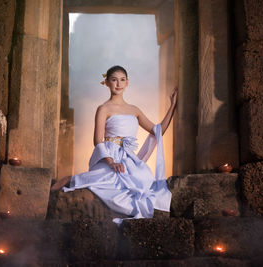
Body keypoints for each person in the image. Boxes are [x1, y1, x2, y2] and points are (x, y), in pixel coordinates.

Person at [51, 65, 178, 223]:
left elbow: (157, 131)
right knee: (105, 180)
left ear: (127, 83)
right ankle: (66, 183)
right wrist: (111, 162)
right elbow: (97, 140)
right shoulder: (103, 109)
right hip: (109, 155)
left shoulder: (134, 110)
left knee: (144, 181)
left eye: (122, 80)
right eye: (114, 80)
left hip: (129, 158)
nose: (118, 84)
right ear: (106, 82)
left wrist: (172, 106)